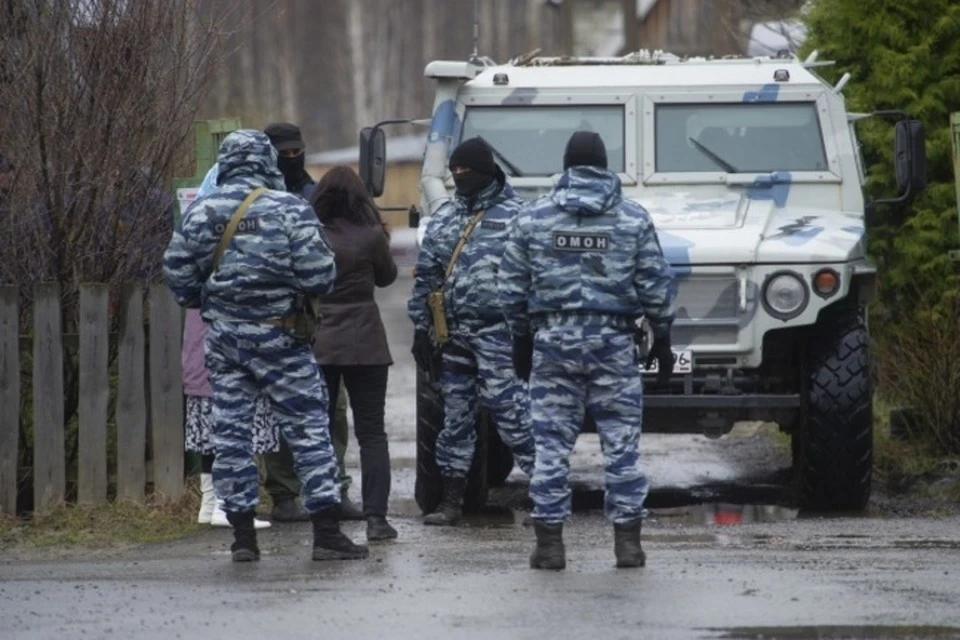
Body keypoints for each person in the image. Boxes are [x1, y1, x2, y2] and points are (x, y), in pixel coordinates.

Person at [163, 129, 367, 563]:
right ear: (267, 162)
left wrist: (217, 301)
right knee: (309, 430)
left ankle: (242, 540)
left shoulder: (200, 213)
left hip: (226, 341)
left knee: (231, 434)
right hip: (284, 338)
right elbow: (320, 277)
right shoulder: (290, 209)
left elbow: (179, 279)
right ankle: (327, 535)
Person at [498, 130, 677, 571]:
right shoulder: (633, 218)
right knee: (622, 446)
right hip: (613, 344)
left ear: (568, 165)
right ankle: (628, 545)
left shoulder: (533, 217)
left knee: (550, 448)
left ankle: (550, 546)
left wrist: (521, 338)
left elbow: (509, 288)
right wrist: (664, 336)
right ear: (603, 164)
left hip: (553, 345)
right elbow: (656, 285)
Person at [407, 137, 536, 527]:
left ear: (486, 172)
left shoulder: (521, 217)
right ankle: (451, 500)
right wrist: (421, 329)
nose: (460, 177)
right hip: (453, 336)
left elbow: (536, 278)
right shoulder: (446, 217)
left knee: (513, 415)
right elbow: (427, 276)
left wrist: (528, 335)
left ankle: (547, 492)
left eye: (467, 172)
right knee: (455, 417)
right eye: (455, 172)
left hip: (500, 336)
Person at [261, 121, 364, 522]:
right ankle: (284, 495)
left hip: (318, 320)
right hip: (270, 322)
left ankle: (335, 491)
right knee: (278, 412)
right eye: (283, 153)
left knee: (332, 410)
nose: (291, 159)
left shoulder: (315, 195)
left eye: (295, 152)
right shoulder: (257, 198)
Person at [182, 167, 274, 530]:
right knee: (236, 427)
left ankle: (208, 504)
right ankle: (227, 506)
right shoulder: (248, 227)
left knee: (209, 428)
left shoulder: (196, 224)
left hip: (198, 342)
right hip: (232, 344)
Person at [310, 165, 399, 541]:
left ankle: (327, 510)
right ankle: (376, 519)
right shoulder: (371, 235)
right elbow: (387, 277)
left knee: (319, 429)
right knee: (372, 433)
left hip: (321, 344)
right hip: (366, 343)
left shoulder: (311, 235)